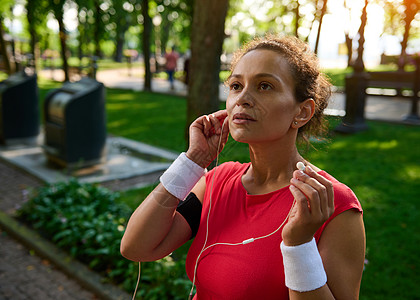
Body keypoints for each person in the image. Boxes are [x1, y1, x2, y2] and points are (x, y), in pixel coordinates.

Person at [121, 34, 365, 300]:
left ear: (302, 112)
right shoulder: (217, 181)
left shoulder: (332, 204)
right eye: (236, 85)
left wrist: (298, 244)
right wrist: (193, 160)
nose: (243, 98)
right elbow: (136, 247)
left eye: (264, 86)